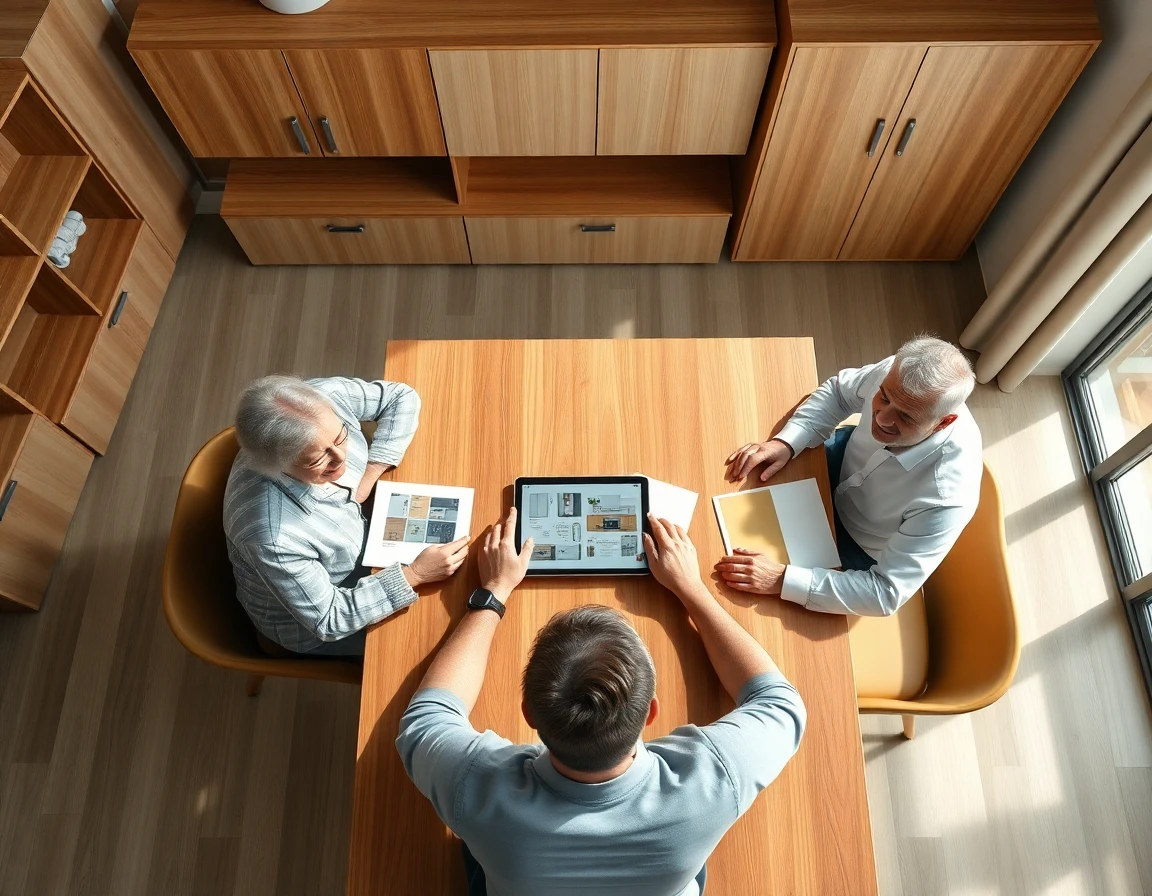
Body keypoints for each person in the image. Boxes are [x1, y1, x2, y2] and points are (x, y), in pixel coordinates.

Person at [397, 507, 806, 895]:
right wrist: (692, 589)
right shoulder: (713, 784)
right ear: (651, 713)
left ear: (529, 715)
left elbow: (427, 716)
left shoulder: (477, 785)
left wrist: (494, 590)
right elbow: (778, 701)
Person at [717, 336, 982, 617]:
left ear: (944, 422)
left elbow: (885, 593)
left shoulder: (947, 498)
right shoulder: (897, 374)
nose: (881, 419)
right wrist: (787, 442)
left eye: (905, 417)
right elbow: (840, 394)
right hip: (840, 461)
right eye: (884, 398)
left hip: (856, 545)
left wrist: (781, 580)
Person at [224, 375, 468, 656]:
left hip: (355, 541)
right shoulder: (272, 537)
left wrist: (372, 471)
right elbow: (329, 619)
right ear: (277, 465)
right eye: (318, 460)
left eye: (341, 436)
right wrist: (415, 574)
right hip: (314, 620)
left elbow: (400, 396)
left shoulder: (316, 401)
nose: (341, 458)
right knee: (436, 640)